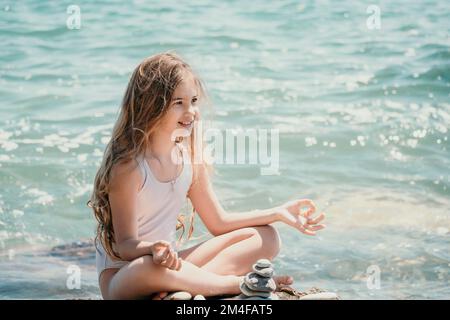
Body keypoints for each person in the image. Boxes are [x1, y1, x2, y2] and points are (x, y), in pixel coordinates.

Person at [88, 52, 326, 300]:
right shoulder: (128, 167)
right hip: (125, 276)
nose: (190, 111)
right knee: (148, 267)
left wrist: (277, 213)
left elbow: (218, 223)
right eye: (178, 102)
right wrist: (153, 249)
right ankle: (235, 284)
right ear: (150, 106)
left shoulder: (189, 158)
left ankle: (181, 290)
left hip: (170, 267)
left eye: (193, 100)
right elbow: (126, 246)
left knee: (266, 237)